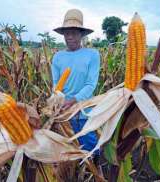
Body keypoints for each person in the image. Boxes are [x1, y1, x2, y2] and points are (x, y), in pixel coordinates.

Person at [51, 9, 100, 156]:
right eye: (67, 33)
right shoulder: (58, 57)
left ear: (81, 34)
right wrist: (56, 102)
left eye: (74, 33)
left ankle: (95, 171)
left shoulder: (92, 55)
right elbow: (55, 84)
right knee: (68, 147)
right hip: (63, 111)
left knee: (90, 145)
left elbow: (91, 84)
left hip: (83, 110)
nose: (70, 37)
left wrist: (73, 100)